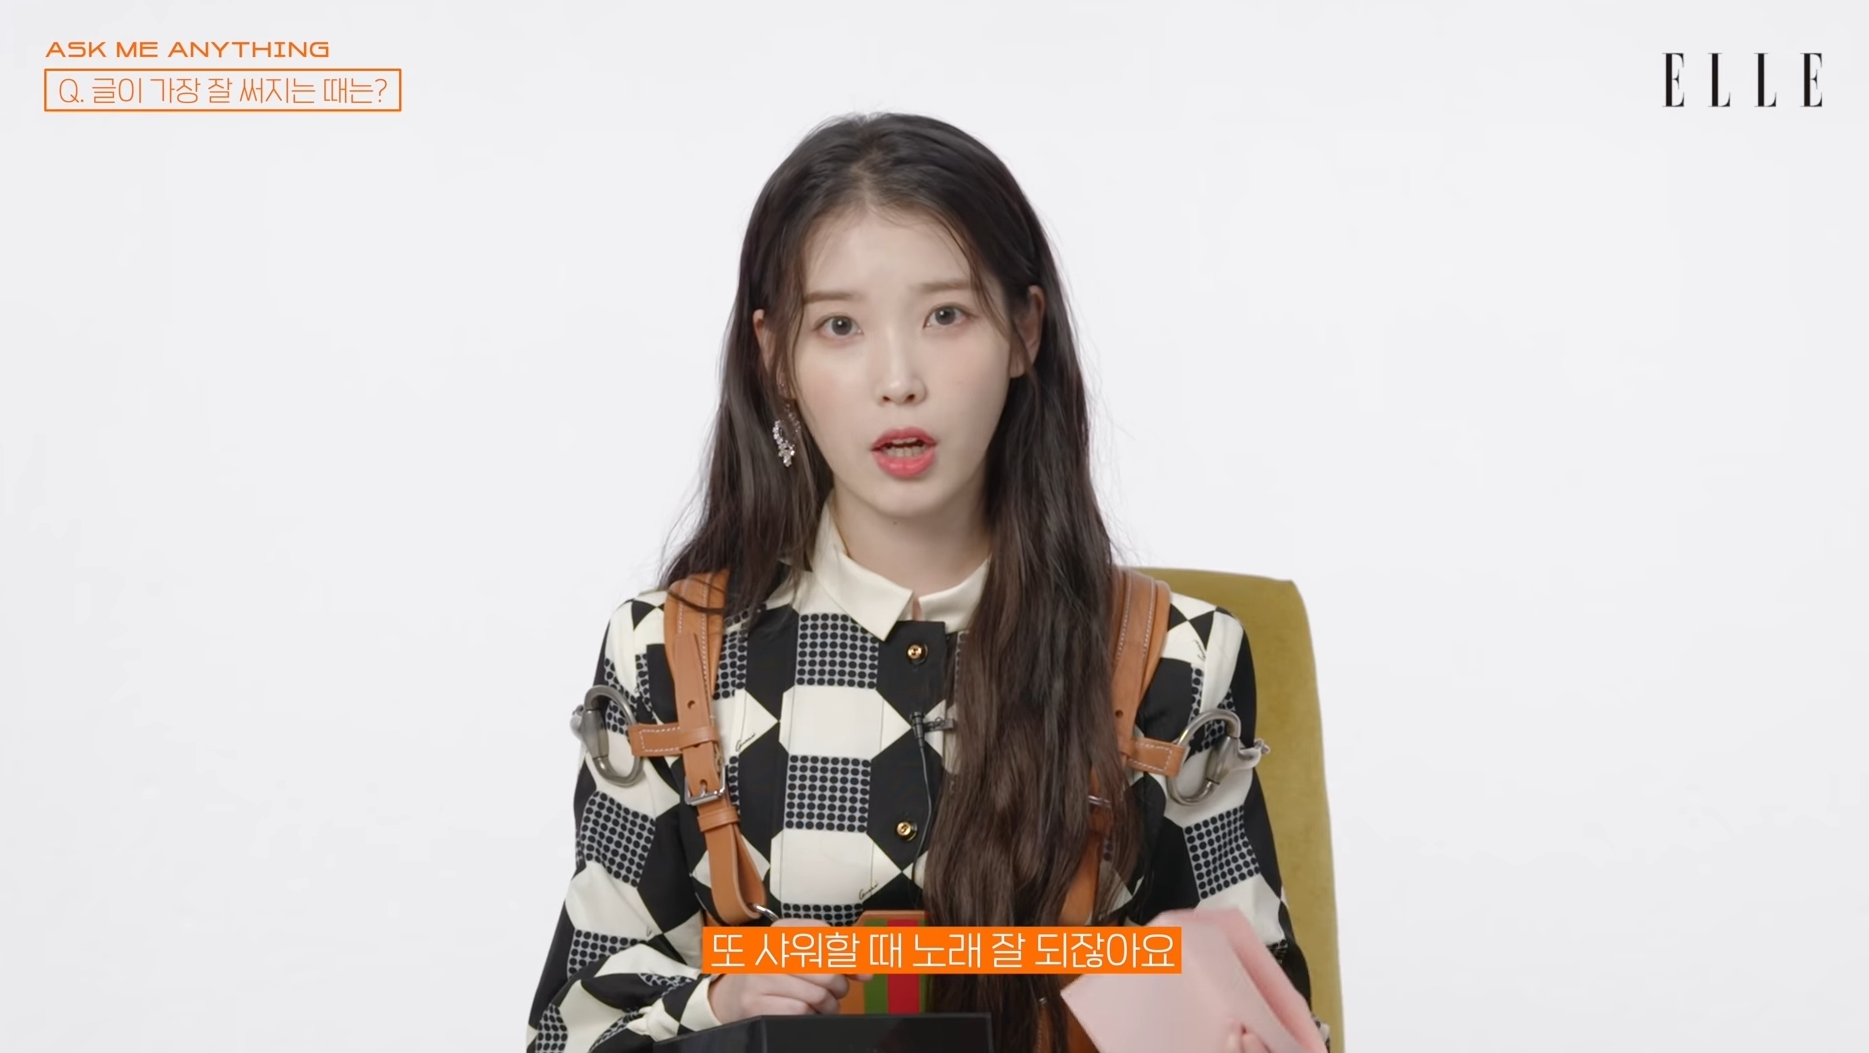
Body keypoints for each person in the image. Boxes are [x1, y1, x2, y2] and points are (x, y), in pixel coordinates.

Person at [524, 113, 1328, 1053]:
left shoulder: (1175, 657)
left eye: (946, 316)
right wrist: (721, 1004)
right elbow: (572, 1028)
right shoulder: (667, 653)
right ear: (776, 357)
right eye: (840, 326)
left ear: (1024, 331)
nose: (898, 379)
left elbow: (1268, 1009)